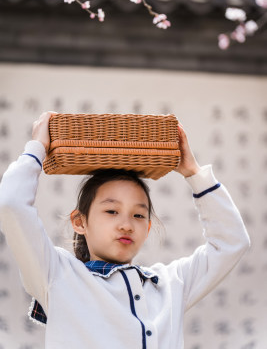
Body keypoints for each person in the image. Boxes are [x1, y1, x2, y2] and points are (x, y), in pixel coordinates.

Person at [0, 111, 250, 349]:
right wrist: (37, 148)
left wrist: (194, 173)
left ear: (148, 227)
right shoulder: (58, 275)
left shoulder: (169, 284)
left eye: (139, 215)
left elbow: (232, 243)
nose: (126, 224)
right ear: (79, 221)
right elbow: (11, 204)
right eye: (111, 211)